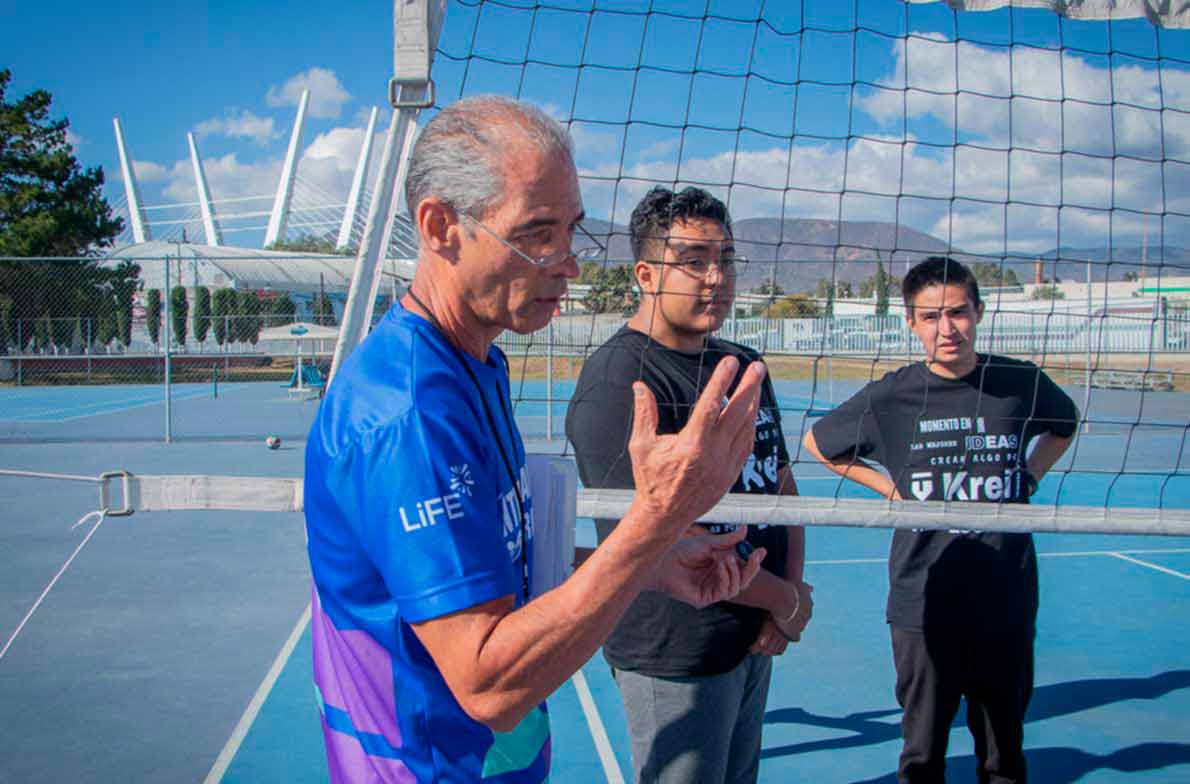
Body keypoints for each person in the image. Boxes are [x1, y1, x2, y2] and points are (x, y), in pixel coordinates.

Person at [303, 96, 771, 784]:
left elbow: (498, 557)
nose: (568, 262)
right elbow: (488, 683)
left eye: (571, 229)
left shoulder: (474, 360)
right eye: (538, 232)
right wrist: (657, 518)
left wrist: (656, 560)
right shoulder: (410, 414)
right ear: (441, 227)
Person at [566, 185, 813, 783]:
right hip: (674, 650)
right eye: (694, 260)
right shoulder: (619, 382)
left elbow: (780, 487)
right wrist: (783, 600)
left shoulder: (744, 362)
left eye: (724, 259)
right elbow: (650, 541)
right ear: (646, 274)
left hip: (752, 636)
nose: (715, 277)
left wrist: (788, 598)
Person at [802, 256, 1079, 784]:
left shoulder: (1018, 382)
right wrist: (892, 489)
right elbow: (820, 443)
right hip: (922, 600)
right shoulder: (893, 394)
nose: (946, 328)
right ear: (911, 322)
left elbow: (1063, 426)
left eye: (957, 312)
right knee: (922, 754)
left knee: (1003, 755)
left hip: (1005, 593)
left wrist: (1029, 477)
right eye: (930, 317)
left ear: (978, 312)